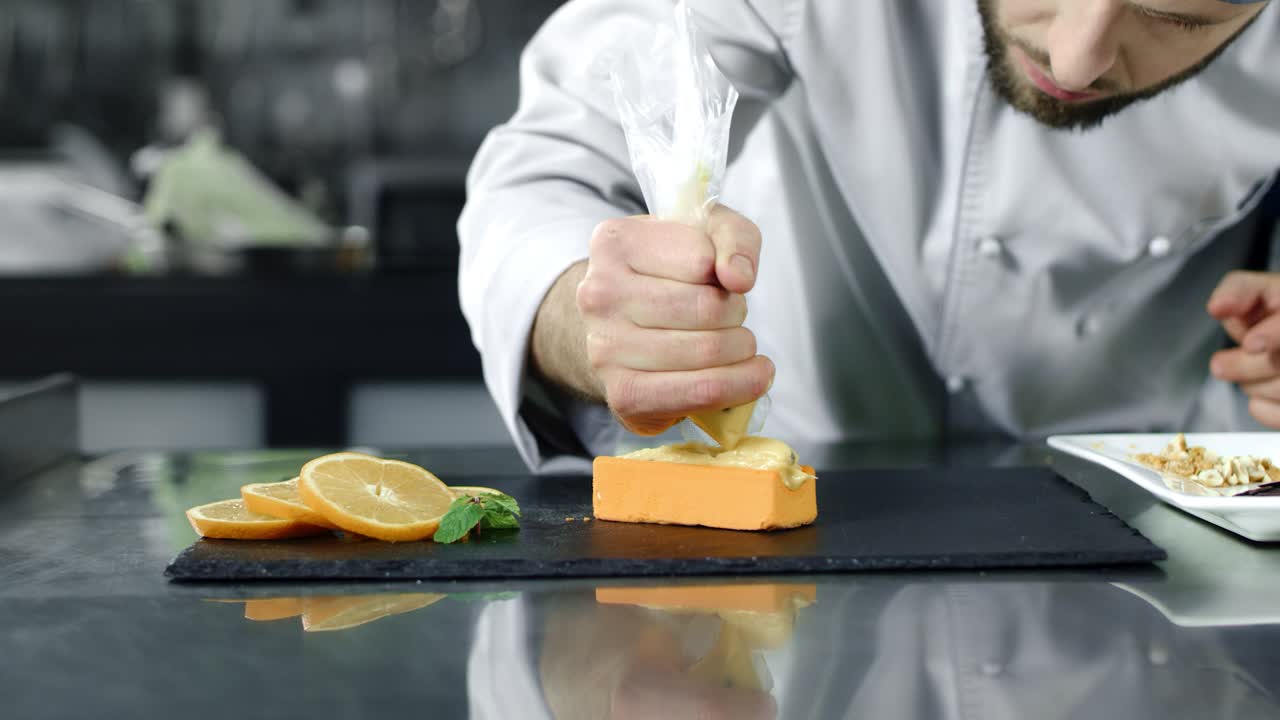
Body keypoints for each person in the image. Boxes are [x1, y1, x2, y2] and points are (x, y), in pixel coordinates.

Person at [458, 0, 1280, 472]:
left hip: (1146, 560)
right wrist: (586, 314)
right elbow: (548, 170)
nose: (1073, 58)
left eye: (1178, 13)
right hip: (793, 532)